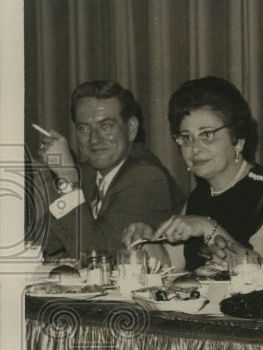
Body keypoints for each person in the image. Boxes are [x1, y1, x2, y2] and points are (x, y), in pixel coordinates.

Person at [123, 77, 263, 271]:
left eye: (207, 135)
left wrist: (207, 227)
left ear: (237, 140)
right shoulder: (200, 195)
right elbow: (171, 264)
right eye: (186, 138)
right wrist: (145, 241)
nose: (195, 149)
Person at [35, 80, 183, 259]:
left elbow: (97, 256)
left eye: (106, 126)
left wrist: (67, 178)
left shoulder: (147, 177)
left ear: (131, 129)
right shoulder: (89, 172)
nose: (94, 139)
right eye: (83, 128)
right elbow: (40, 239)